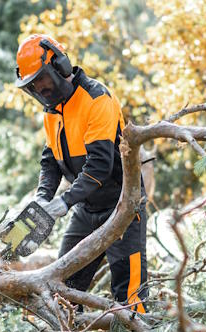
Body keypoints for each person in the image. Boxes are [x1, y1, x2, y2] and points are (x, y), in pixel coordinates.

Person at [15, 34, 147, 314]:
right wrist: (42, 198)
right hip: (86, 208)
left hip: (121, 205)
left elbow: (99, 165)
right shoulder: (51, 111)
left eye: (41, 78)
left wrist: (64, 202)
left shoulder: (96, 99)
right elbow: (51, 160)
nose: (40, 87)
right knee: (63, 289)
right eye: (33, 84)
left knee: (129, 295)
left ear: (59, 65)